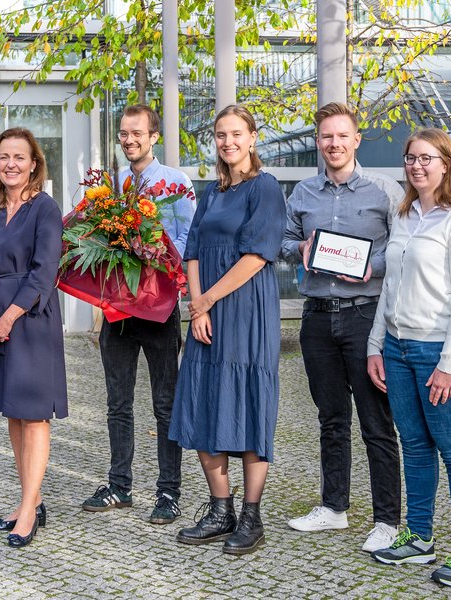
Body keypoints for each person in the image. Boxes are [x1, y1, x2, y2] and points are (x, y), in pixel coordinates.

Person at [281, 102, 402, 552]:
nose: (334, 144)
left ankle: (387, 520)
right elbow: (283, 240)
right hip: (316, 317)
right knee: (331, 419)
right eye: (326, 137)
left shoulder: (383, 191)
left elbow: (401, 248)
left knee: (375, 421)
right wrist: (302, 250)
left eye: (341, 136)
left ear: (356, 140)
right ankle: (334, 509)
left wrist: (368, 267)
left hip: (365, 317)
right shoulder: (303, 193)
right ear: (319, 142)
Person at [170, 104, 286, 555]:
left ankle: (252, 517)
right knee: (201, 399)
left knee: (249, 401)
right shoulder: (212, 192)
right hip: (208, 312)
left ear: (252, 137)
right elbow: (193, 250)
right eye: (221, 135)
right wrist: (197, 309)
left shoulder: (266, 188)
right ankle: (222, 510)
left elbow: (257, 256)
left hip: (246, 309)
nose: (228, 142)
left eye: (236, 133)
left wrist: (208, 300)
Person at [81, 104, 195, 524]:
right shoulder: (112, 186)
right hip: (118, 311)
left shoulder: (176, 185)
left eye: (136, 133)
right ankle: (120, 485)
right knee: (117, 402)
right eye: (124, 134)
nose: (129, 140)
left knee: (166, 403)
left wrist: (147, 256)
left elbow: (185, 243)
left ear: (154, 136)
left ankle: (169, 492)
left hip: (160, 309)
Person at [0, 127, 66, 548]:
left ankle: (28, 511)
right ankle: (29, 501)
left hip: (30, 320)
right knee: (13, 412)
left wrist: (9, 317)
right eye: (4, 157)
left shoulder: (45, 209)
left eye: (19, 157)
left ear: (34, 163)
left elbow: (44, 272)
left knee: (34, 413)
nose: (11, 164)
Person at [367, 128, 451, 588]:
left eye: (426, 158)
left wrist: (450, 361)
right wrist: (375, 345)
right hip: (398, 350)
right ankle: (420, 536)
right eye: (410, 159)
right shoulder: (404, 215)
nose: (417, 166)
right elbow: (389, 287)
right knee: (415, 446)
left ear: (446, 163)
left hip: (436, 350)